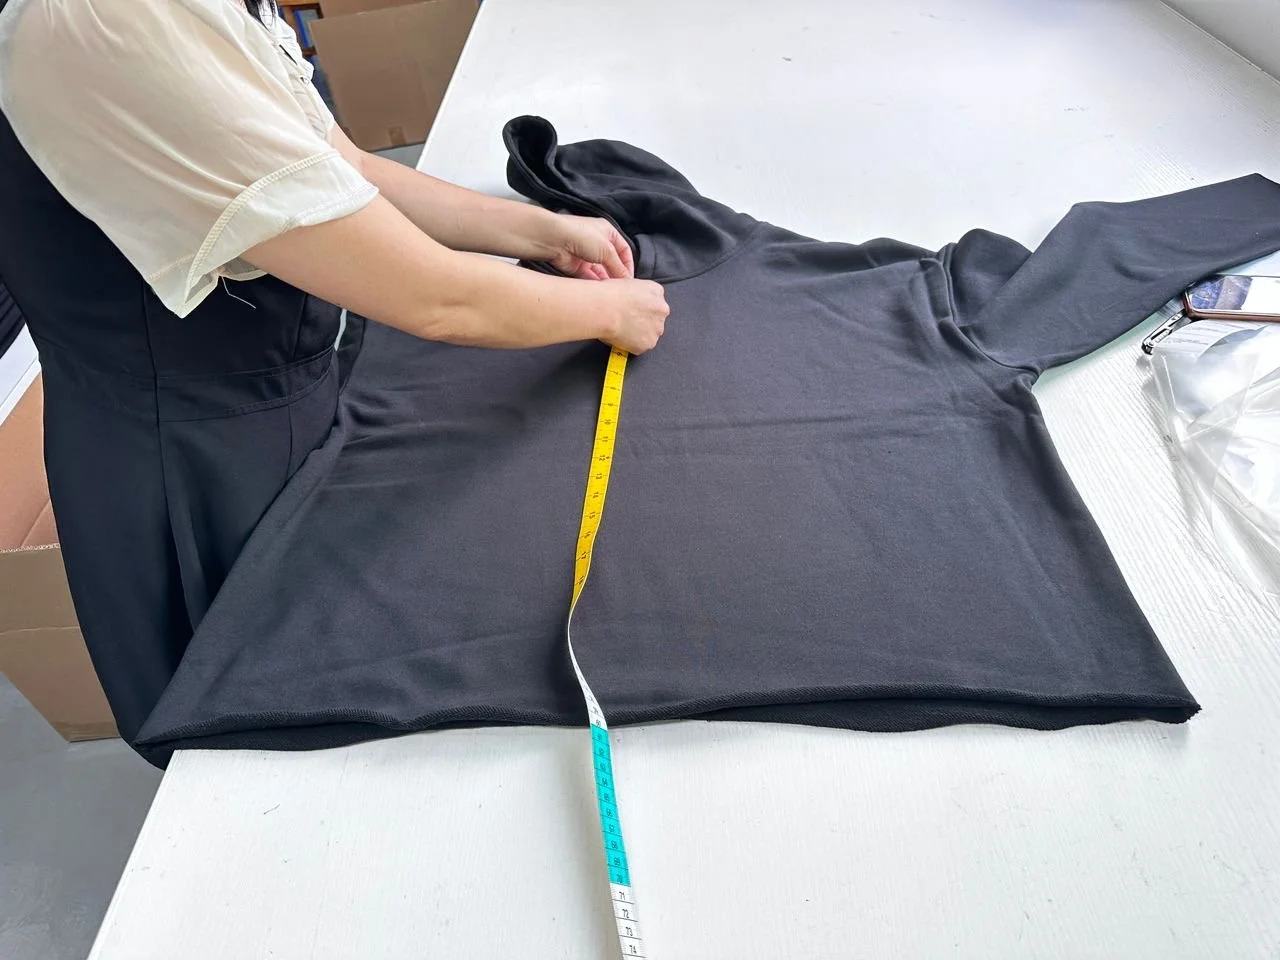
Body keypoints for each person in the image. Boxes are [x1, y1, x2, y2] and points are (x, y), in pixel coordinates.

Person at [0, 0, 669, 747]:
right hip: (192, 462)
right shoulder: (104, 19)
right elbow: (434, 298)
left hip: (277, 398)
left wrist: (539, 230)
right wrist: (611, 312)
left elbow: (339, 167)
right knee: (257, 720)